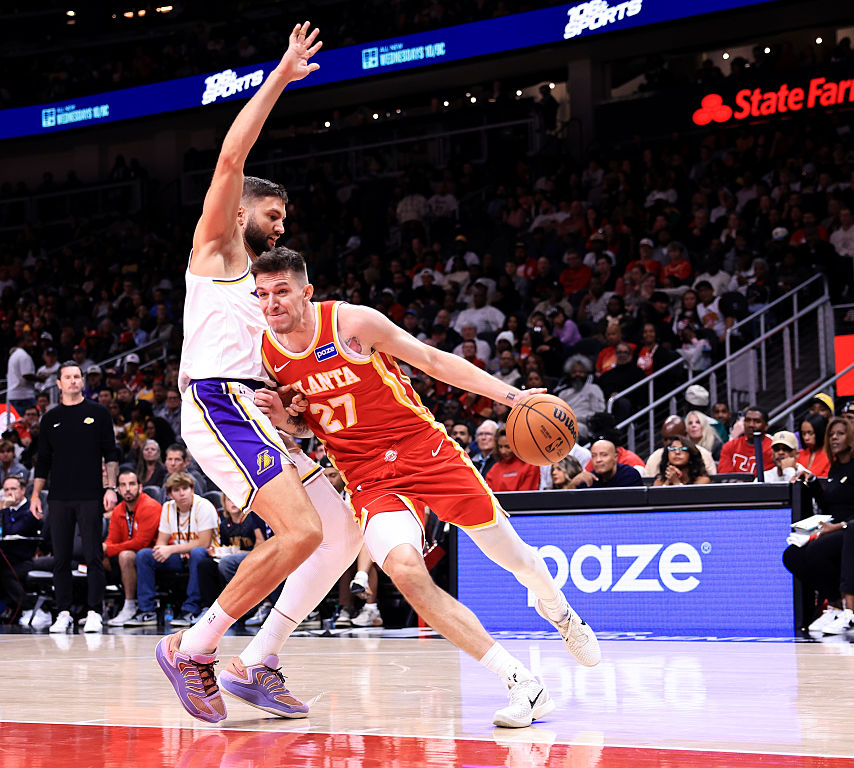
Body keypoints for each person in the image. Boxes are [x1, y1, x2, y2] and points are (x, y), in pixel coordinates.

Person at [252, 245, 600, 728]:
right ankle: (522, 682)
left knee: (515, 558)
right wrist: (287, 424)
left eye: (282, 292)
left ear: (306, 292)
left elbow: (433, 360)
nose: (272, 304)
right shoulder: (267, 352)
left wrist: (515, 398)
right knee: (408, 574)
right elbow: (315, 425)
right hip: (367, 477)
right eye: (262, 294)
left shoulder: (352, 324)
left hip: (423, 450)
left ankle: (560, 612)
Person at [160, 24, 363, 726]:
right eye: (271, 215)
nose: (278, 227)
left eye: (283, 219)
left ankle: (257, 660)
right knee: (302, 533)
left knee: (342, 533)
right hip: (217, 401)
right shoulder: (216, 246)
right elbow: (230, 156)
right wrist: (280, 74)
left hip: (252, 406)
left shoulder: (265, 286)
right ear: (241, 208)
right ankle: (194, 648)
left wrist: (295, 408)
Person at [31, 363, 120, 635]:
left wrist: (111, 488)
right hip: (58, 497)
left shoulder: (98, 413)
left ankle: (94, 611)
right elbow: (43, 460)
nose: (73, 381)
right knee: (61, 558)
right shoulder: (50, 418)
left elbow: (111, 453)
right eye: (67, 377)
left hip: (91, 494)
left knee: (93, 555)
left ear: (83, 381)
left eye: (77, 377)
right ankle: (64, 612)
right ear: (58, 383)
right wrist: (36, 494)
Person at [783, 417, 854, 634]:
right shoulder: (836, 469)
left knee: (824, 545)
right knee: (793, 555)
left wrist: (837, 527)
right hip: (837, 529)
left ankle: (853, 611)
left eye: (840, 433)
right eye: (831, 434)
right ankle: (836, 606)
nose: (834, 438)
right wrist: (812, 483)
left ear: (853, 437)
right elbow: (829, 505)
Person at [119, 471, 219, 627]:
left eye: (185, 488)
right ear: (170, 494)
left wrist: (171, 550)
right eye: (177, 490)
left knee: (197, 553)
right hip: (180, 556)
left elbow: (204, 543)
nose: (182, 493)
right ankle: (147, 611)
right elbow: (161, 543)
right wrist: (163, 550)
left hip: (207, 557)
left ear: (192, 490)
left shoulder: (203, 506)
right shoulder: (167, 507)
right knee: (145, 555)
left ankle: (190, 609)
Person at [101, 471, 161, 624]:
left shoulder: (150, 506)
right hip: (131, 554)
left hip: (155, 555)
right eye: (123, 485)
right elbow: (111, 540)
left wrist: (109, 550)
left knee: (125, 555)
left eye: (132, 484)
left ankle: (130, 605)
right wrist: (104, 551)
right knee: (98, 556)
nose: (127, 489)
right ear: (118, 490)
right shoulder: (118, 510)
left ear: (140, 487)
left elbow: (142, 543)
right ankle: (93, 610)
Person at [0, 475, 42, 620]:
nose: (9, 493)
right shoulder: (5, 510)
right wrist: (0, 512)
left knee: (7, 574)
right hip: (5, 557)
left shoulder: (31, 510)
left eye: (13, 489)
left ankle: (30, 609)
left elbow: (14, 531)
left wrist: (5, 510)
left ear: (23, 490)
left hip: (25, 558)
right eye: (6, 490)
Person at [718, 406, 774, 475]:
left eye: (757, 421)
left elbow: (768, 477)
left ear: (766, 426)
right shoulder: (730, 446)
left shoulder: (773, 448)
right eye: (747, 420)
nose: (751, 425)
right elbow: (725, 476)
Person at [568, 440, 644, 488]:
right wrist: (573, 484)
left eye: (604, 455)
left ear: (615, 457)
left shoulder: (629, 475)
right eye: (594, 456)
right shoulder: (590, 479)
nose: (598, 460)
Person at [486, 428, 540, 492]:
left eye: (507, 447)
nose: (503, 451)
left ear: (517, 445)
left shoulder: (530, 466)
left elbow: (526, 497)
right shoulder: (494, 469)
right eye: (500, 446)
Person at [798, 413, 831, 479]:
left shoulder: (831, 456)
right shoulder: (799, 454)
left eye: (810, 433)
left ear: (820, 432)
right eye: (803, 434)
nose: (806, 438)